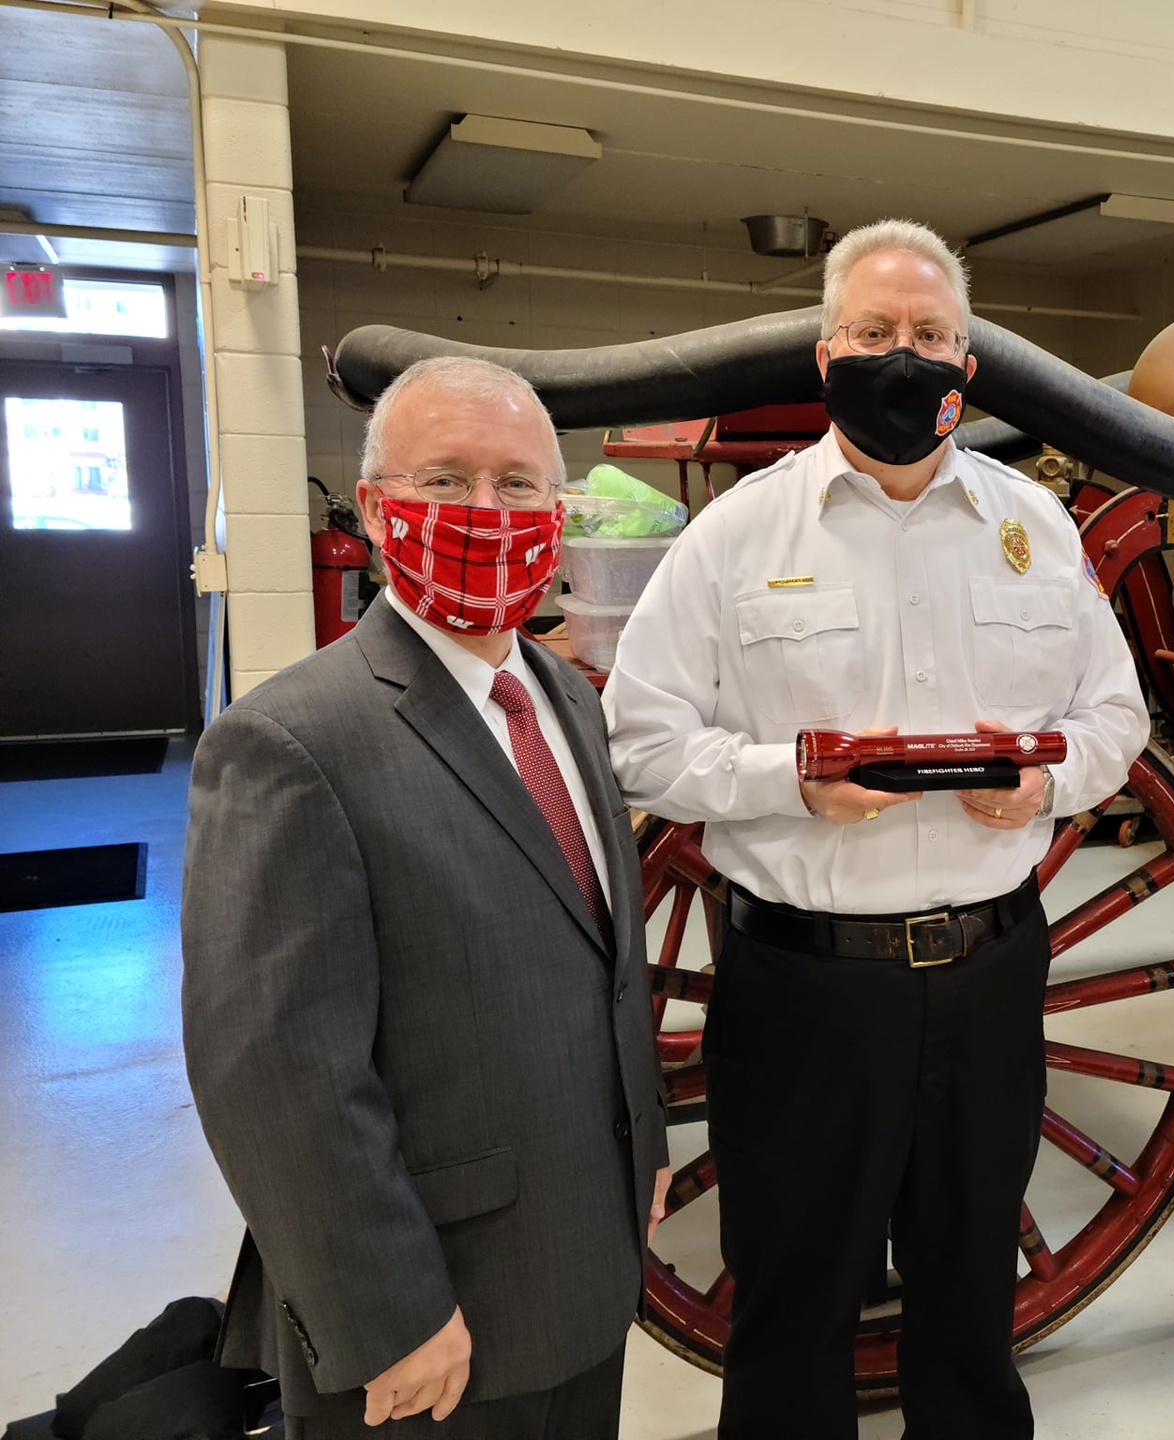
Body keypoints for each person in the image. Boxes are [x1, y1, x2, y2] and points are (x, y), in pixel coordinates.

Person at [602, 217, 1148, 1439]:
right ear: (824, 354)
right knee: (791, 1313)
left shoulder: (1034, 530)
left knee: (969, 1305)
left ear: (967, 363)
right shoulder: (739, 535)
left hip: (989, 976)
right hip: (805, 988)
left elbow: (1118, 715)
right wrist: (787, 779)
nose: (902, 356)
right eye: (873, 332)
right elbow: (641, 742)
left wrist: (1049, 783)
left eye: (930, 336)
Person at [180, 356, 671, 1440]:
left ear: (559, 510)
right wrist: (387, 1312)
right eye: (446, 482)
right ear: (374, 509)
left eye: (519, 484)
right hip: (433, 1322)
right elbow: (273, 1075)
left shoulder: (568, 706)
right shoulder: (290, 743)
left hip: (585, 1272)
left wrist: (646, 1155)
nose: (487, 515)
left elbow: (604, 966)